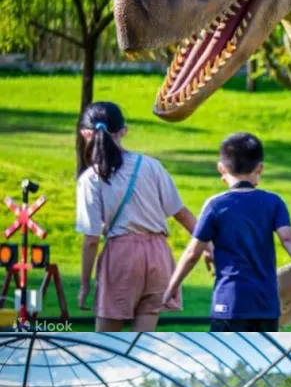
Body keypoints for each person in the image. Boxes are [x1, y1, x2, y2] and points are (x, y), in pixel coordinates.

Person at [163, 131, 291, 331]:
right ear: (260, 168)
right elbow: (287, 238)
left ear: (222, 169)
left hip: (229, 303)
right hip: (266, 305)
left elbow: (193, 253)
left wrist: (171, 287)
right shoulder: (273, 202)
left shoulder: (215, 206)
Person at [76, 101, 205, 331]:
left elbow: (92, 238)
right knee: (142, 340)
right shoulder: (151, 166)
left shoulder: (91, 179)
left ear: (85, 133)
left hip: (120, 256)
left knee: (108, 342)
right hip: (158, 255)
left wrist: (85, 284)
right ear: (124, 131)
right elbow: (181, 214)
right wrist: (210, 248)